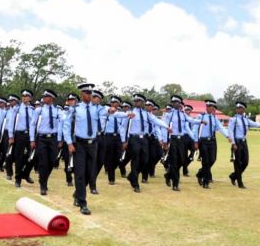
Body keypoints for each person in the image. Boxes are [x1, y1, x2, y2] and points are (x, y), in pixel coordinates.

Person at [63, 83, 114, 215]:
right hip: (79, 144)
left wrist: (116, 112)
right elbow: (67, 126)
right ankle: (83, 203)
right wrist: (69, 143)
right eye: (87, 93)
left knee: (90, 173)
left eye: (91, 93)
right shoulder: (75, 109)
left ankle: (77, 194)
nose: (89, 95)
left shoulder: (97, 109)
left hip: (93, 144)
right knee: (80, 173)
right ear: (81, 94)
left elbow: (110, 112)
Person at [124, 94, 166, 193]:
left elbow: (156, 121)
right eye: (135, 100)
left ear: (142, 103)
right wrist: (124, 140)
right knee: (135, 160)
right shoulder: (130, 113)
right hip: (134, 138)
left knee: (145, 161)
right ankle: (135, 184)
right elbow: (124, 127)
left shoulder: (147, 114)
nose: (137, 102)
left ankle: (131, 176)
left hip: (144, 139)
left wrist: (167, 127)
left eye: (139, 101)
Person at [162, 95, 202, 191]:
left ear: (180, 103)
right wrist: (165, 141)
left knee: (181, 161)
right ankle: (175, 184)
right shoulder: (169, 115)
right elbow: (165, 127)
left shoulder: (183, 114)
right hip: (173, 140)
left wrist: (201, 121)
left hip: (182, 141)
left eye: (177, 102)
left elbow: (191, 121)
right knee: (175, 162)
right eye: (173, 102)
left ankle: (168, 175)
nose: (175, 104)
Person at [228, 101, 260, 188]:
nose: (238, 109)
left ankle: (233, 176)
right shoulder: (233, 119)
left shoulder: (246, 119)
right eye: (237, 108)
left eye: (240, 108)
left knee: (245, 162)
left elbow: (255, 124)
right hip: (236, 142)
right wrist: (233, 143)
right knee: (237, 163)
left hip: (244, 142)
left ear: (244, 109)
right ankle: (240, 182)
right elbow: (230, 131)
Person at [30, 89, 62, 196]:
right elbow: (33, 124)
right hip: (42, 138)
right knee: (43, 162)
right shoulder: (39, 110)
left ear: (51, 98)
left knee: (52, 161)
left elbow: (61, 124)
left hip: (53, 139)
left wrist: (60, 139)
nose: (44, 98)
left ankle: (43, 179)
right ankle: (43, 185)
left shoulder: (57, 110)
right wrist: (32, 139)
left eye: (46, 96)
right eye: (43, 96)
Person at [194, 100, 231, 189]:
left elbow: (221, 128)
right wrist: (195, 141)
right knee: (206, 161)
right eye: (211, 107)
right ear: (207, 107)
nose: (213, 109)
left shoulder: (214, 118)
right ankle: (205, 182)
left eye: (214, 107)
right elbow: (195, 129)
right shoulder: (200, 116)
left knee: (212, 160)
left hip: (212, 141)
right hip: (203, 141)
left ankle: (200, 173)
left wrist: (227, 136)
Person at [7, 90, 36, 188]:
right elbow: (11, 122)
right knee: (19, 157)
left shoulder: (33, 110)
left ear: (30, 98)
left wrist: (33, 138)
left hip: (30, 135)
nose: (24, 97)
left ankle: (26, 174)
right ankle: (18, 179)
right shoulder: (17, 109)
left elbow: (34, 124)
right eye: (23, 96)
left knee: (32, 156)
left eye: (26, 96)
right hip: (19, 135)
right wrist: (11, 136)